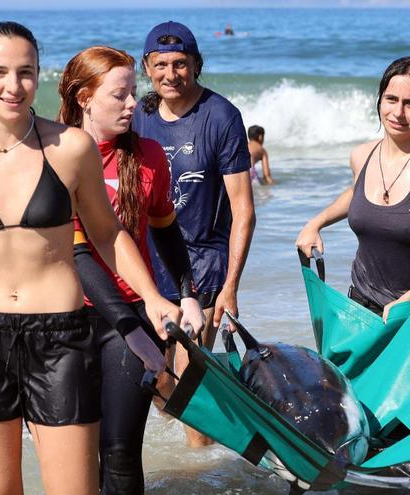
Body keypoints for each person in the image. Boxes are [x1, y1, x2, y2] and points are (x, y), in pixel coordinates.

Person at [0, 22, 181, 495]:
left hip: (59, 340)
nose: (13, 86)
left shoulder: (71, 148)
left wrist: (152, 297)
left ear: (38, 76)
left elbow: (108, 234)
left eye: (25, 72)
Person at [58, 46, 205, 494]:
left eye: (132, 93)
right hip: (63, 317)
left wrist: (188, 294)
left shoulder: (149, 157)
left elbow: (166, 232)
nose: (132, 104)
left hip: (128, 312)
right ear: (84, 98)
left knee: (120, 449)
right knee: (73, 451)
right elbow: (75, 252)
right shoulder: (54, 153)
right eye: (119, 95)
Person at [132, 20, 256, 447]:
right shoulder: (139, 115)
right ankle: (192, 444)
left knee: (190, 380)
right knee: (155, 380)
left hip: (202, 264)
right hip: (148, 265)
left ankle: (201, 474)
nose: (171, 74)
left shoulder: (221, 116)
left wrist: (231, 287)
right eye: (161, 64)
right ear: (147, 67)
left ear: (197, 64)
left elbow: (243, 211)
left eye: (180, 64)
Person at [296, 56, 410, 328]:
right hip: (359, 309)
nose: (398, 113)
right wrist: (316, 223)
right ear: (379, 100)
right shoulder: (361, 155)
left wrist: (408, 301)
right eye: (391, 99)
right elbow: (357, 194)